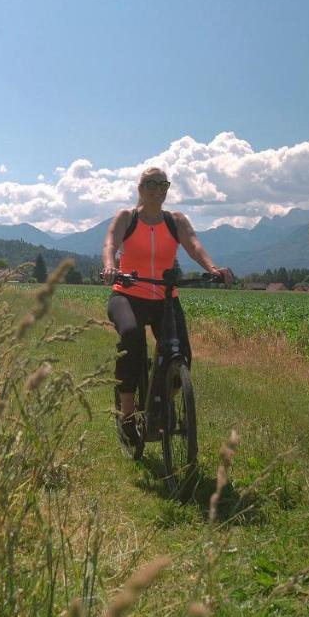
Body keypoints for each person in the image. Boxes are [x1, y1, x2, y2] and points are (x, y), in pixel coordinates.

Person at [101, 167, 234, 446]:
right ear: (140, 187)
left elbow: (194, 245)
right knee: (131, 337)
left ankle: (163, 405)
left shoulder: (175, 221)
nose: (157, 188)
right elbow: (111, 241)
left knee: (180, 353)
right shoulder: (128, 217)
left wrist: (212, 268)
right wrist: (111, 266)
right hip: (127, 294)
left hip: (165, 298)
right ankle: (126, 416)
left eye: (163, 183)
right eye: (150, 183)